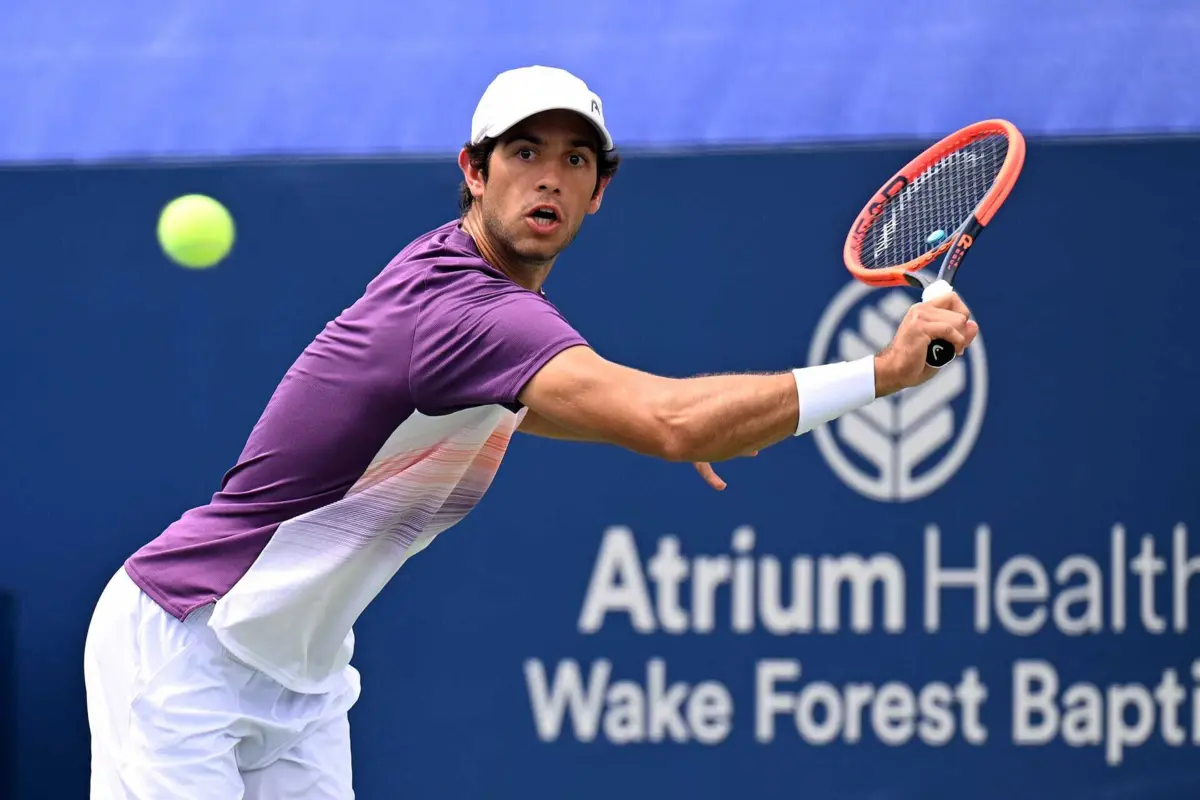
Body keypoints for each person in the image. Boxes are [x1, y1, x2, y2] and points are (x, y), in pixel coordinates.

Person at [83, 65, 978, 799]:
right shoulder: (467, 311)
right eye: (523, 151)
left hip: (300, 683)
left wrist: (699, 424)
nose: (550, 175)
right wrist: (885, 373)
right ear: (475, 170)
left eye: (576, 158)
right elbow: (668, 420)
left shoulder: (476, 311)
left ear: (599, 191)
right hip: (184, 647)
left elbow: (613, 417)